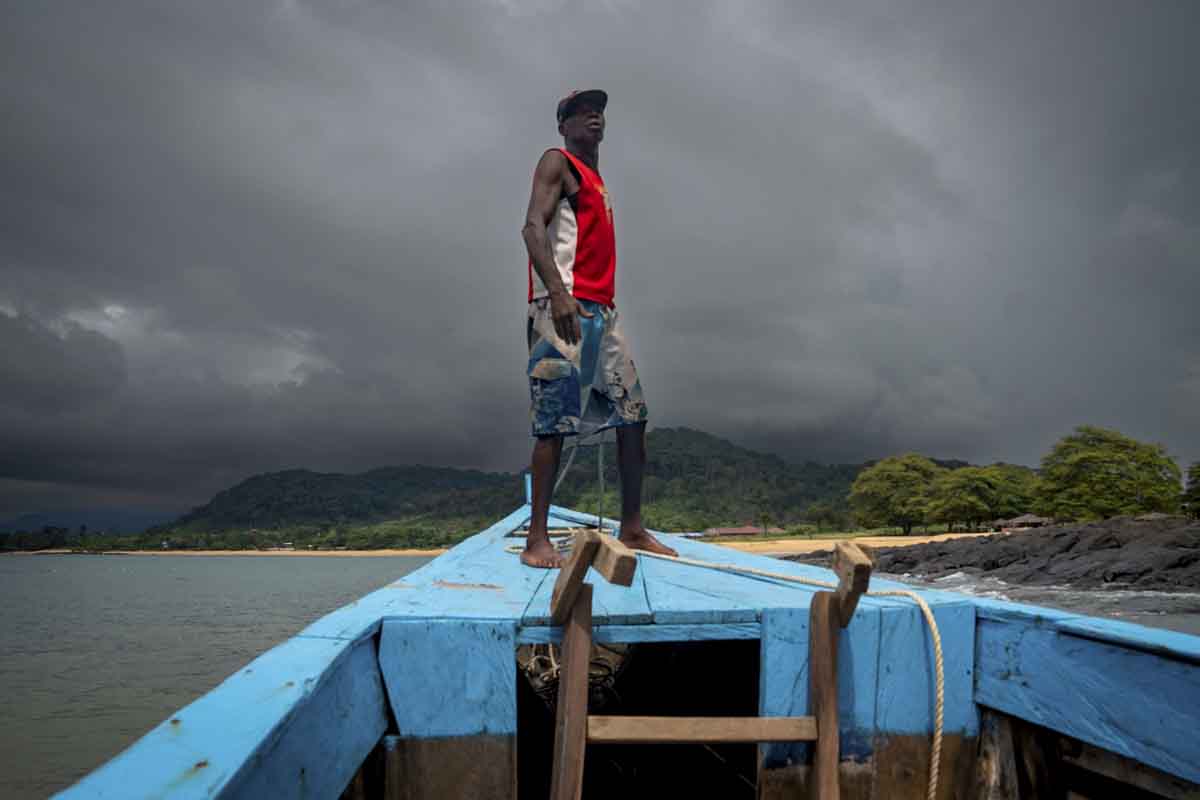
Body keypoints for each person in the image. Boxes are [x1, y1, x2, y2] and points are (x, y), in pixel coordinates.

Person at [519, 89, 678, 568]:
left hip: (603, 311)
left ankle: (632, 528)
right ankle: (537, 540)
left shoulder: (597, 178)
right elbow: (531, 227)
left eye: (600, 111)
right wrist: (560, 292)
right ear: (562, 125)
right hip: (560, 305)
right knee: (553, 424)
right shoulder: (557, 162)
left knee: (634, 414)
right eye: (582, 111)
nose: (595, 116)